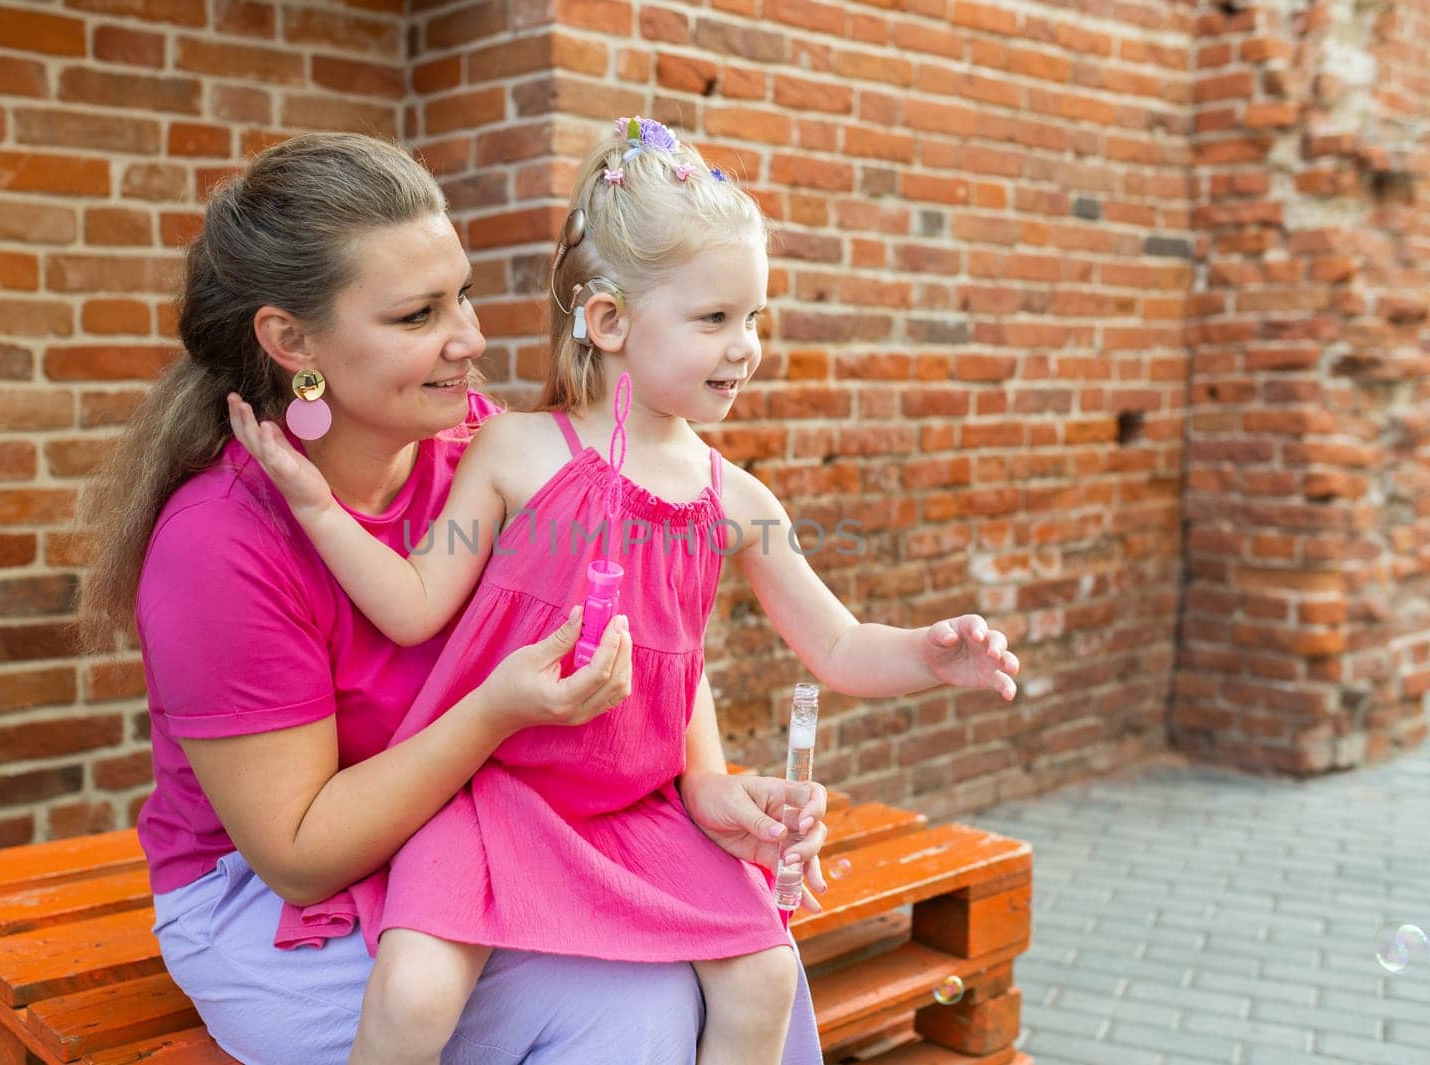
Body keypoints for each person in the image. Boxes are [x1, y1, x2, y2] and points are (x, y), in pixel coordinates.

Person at [228, 118, 1020, 1065]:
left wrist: (932, 654)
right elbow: (409, 603)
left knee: (766, 974)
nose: (746, 347)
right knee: (412, 989)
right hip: (494, 796)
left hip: (637, 812)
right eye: (714, 319)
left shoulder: (736, 498)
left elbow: (837, 644)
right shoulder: (516, 451)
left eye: (755, 317)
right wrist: (318, 508)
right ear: (607, 322)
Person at [75, 131, 835, 1065]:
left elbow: (630, 616)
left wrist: (702, 782)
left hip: (481, 830)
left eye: (463, 294)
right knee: (635, 1008)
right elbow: (301, 851)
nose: (471, 339)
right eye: (417, 314)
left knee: (721, 971)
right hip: (273, 898)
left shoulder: (475, 441)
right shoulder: (219, 546)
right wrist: (493, 714)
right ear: (290, 341)